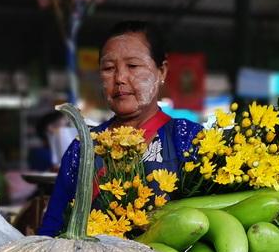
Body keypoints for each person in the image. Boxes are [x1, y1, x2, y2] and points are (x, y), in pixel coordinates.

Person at [37, 20, 203, 236]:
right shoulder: (83, 147)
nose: (120, 78)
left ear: (161, 71)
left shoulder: (187, 139)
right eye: (108, 68)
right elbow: (52, 227)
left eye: (133, 66)